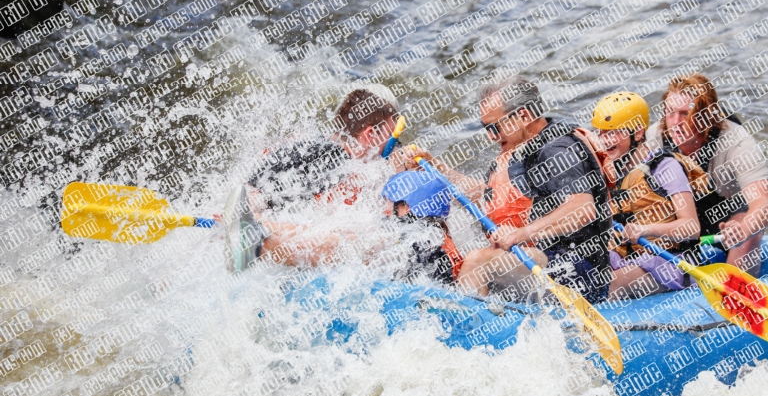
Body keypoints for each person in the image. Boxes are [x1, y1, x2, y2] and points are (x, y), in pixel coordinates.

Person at [408, 77, 614, 302]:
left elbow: (583, 209)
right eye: (486, 128)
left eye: (495, 126)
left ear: (524, 116)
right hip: (541, 260)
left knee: (478, 262)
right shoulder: (529, 147)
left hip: (577, 273)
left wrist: (522, 234)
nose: (491, 137)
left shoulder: (556, 150)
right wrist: (436, 168)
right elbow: (484, 195)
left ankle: (472, 328)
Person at [225, 85, 404, 272]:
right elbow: (251, 196)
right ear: (371, 134)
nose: (395, 148)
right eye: (393, 140)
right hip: (260, 243)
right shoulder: (316, 156)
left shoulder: (361, 165)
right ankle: (260, 246)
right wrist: (247, 219)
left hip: (290, 240)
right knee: (367, 238)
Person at [590, 92, 712, 299]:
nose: (604, 140)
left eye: (613, 132)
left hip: (669, 263)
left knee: (607, 288)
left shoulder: (665, 167)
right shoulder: (611, 171)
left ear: (637, 133)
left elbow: (691, 227)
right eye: (600, 133)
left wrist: (646, 229)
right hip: (626, 257)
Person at [656, 74, 768, 275]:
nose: (675, 123)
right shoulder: (656, 137)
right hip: (682, 216)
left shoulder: (737, 141)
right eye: (670, 112)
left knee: (747, 229)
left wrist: (741, 231)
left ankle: (736, 294)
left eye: (685, 114)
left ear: (706, 116)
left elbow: (762, 204)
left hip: (727, 219)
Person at [380, 170, 464, 285]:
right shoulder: (436, 236)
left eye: (389, 202)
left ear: (406, 207)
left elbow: (396, 285)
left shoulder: (421, 245)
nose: (385, 211)